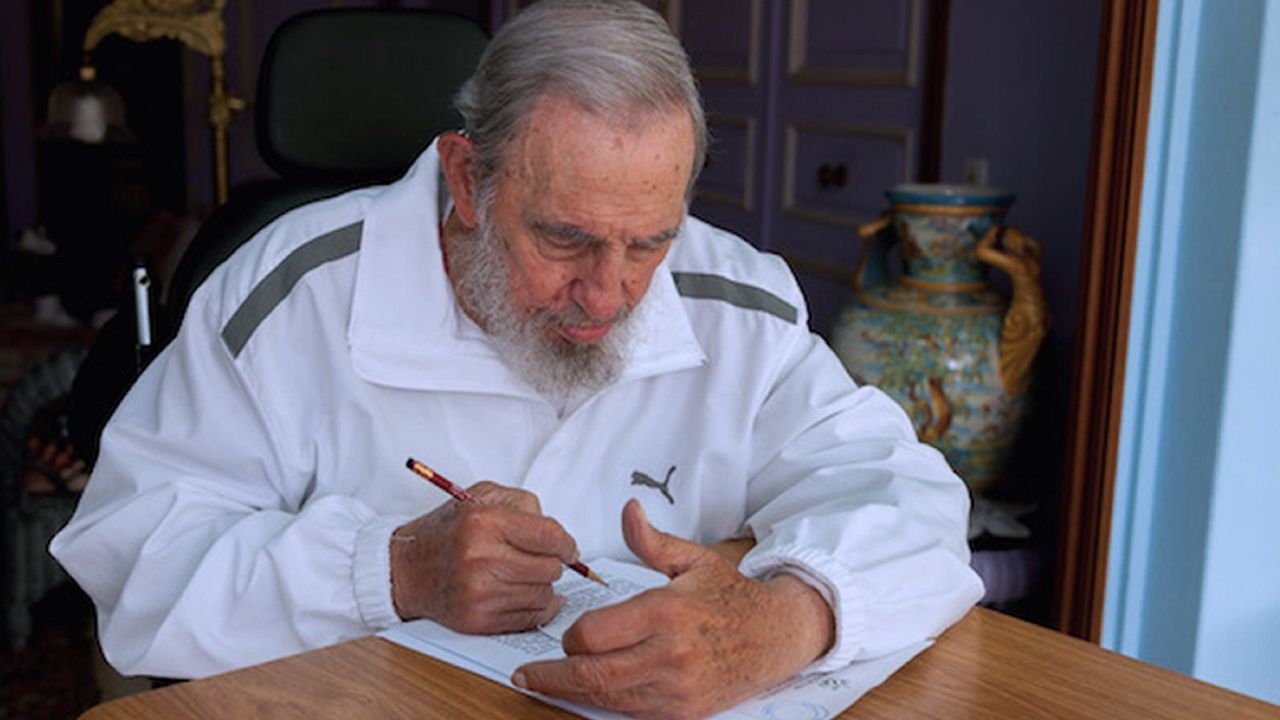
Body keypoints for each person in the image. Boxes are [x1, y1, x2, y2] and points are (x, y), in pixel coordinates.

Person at [51, 1, 983, 716]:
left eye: (649, 240)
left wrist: (786, 621)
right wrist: (395, 569)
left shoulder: (732, 293)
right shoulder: (293, 287)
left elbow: (909, 498)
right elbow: (134, 566)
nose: (611, 293)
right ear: (467, 178)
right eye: (566, 239)